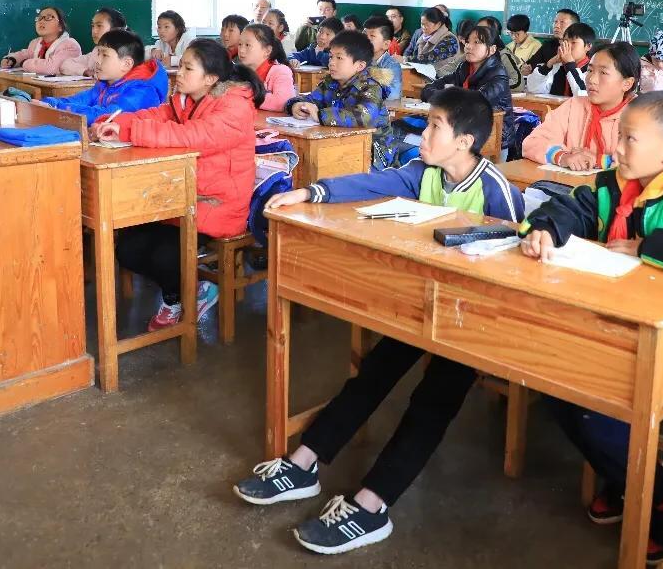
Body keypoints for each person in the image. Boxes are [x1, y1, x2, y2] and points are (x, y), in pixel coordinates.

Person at [235, 89, 523, 556]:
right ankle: (304, 462)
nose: (423, 134)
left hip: (472, 321)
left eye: (434, 127)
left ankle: (372, 505)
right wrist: (311, 192)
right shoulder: (424, 172)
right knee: (374, 371)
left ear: (465, 141)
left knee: (434, 398)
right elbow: (372, 184)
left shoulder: (497, 191)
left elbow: (514, 264)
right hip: (422, 302)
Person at [519, 91, 663, 561]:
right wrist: (544, 227)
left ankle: (662, 492)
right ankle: (627, 476)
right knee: (553, 383)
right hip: (628, 317)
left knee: (599, 399)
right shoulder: (615, 183)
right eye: (619, 136)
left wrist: (648, 246)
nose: (616, 147)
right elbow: (574, 207)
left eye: (629, 139)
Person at [93, 39, 263, 331]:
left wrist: (131, 131)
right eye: (181, 65)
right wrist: (114, 121)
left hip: (217, 204)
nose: (178, 73)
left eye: (188, 68)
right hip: (181, 195)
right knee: (128, 248)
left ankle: (177, 298)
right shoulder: (187, 98)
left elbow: (191, 136)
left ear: (210, 78)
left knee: (164, 255)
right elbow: (157, 115)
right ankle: (192, 289)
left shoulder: (235, 106)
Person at [521, 41, 641, 170]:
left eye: (603, 73)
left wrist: (599, 161)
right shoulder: (574, 106)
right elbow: (532, 142)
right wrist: (562, 157)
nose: (591, 79)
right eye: (590, 70)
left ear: (627, 83)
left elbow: (645, 159)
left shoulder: (641, 116)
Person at [286, 30, 394, 169]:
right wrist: (296, 105)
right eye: (331, 56)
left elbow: (363, 117)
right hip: (340, 144)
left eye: (339, 58)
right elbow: (311, 99)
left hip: (374, 154)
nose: (331, 62)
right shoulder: (330, 83)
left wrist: (320, 115)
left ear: (360, 66)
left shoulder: (371, 87)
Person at [43, 30, 169, 120]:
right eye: (98, 53)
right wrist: (49, 103)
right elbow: (81, 99)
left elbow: (105, 116)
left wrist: (57, 107)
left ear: (126, 64)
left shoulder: (142, 92)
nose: (97, 60)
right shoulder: (105, 84)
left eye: (104, 55)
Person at [421, 25, 513, 125]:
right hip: (464, 124)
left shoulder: (498, 75)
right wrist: (445, 97)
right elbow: (428, 89)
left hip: (495, 130)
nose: (468, 46)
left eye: (476, 42)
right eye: (468, 42)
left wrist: (445, 97)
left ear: (492, 49)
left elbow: (477, 103)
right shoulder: (463, 69)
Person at [0, 6, 82, 74]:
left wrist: (24, 63)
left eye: (48, 18)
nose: (41, 21)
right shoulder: (36, 43)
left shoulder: (70, 46)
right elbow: (24, 54)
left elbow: (51, 68)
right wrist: (12, 59)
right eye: (39, 18)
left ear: (61, 26)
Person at [238, 23, 296, 112]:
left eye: (247, 45)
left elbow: (282, 102)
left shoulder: (280, 71)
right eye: (239, 44)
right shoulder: (238, 72)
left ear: (267, 50)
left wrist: (243, 94)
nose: (241, 50)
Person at [526, 21, 595, 97]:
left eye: (573, 42)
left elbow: (583, 95)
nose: (567, 46)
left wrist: (570, 64)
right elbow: (533, 89)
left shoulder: (592, 70)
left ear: (588, 46)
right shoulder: (558, 66)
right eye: (565, 42)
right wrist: (548, 65)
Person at [59, 7, 127, 76]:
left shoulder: (124, 54)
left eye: (99, 26)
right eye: (93, 26)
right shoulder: (96, 51)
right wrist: (85, 71)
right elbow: (65, 65)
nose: (94, 31)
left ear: (115, 29)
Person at [521, 8, 579, 73]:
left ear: (574, 26)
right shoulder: (548, 45)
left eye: (562, 22)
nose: (556, 26)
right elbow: (531, 64)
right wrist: (526, 68)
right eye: (555, 22)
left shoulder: (578, 48)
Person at [477, 15, 526, 92]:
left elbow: (518, 84)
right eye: (477, 29)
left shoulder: (503, 55)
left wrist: (490, 85)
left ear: (495, 35)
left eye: (484, 31)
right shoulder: (472, 52)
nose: (477, 34)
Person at [404, 7, 461, 72]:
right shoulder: (422, 37)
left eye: (427, 25)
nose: (423, 27)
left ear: (438, 24)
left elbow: (430, 57)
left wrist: (405, 59)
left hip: (443, 76)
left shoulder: (450, 39)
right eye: (422, 24)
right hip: (424, 74)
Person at [362, 16, 403, 101]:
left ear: (386, 44)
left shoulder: (392, 66)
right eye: (364, 35)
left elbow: (393, 95)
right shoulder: (356, 60)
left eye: (372, 36)